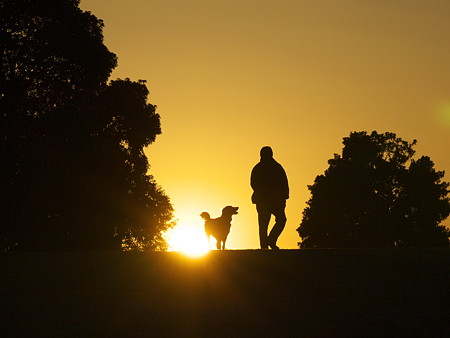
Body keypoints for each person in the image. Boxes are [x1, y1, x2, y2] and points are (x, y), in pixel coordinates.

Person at [251, 146, 289, 249]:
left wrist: (284, 196)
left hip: (275, 200)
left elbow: (284, 183)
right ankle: (265, 246)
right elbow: (254, 183)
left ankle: (270, 240)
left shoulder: (277, 167)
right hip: (263, 200)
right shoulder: (259, 168)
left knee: (281, 220)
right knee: (263, 224)